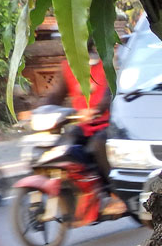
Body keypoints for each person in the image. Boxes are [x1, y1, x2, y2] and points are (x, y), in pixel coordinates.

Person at [39, 41, 125, 212]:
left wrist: (96, 110)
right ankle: (83, 189)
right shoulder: (67, 68)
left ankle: (116, 196)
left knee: (97, 146)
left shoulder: (105, 66)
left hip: (107, 125)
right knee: (65, 145)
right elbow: (55, 96)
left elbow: (110, 94)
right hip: (82, 125)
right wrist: (39, 110)